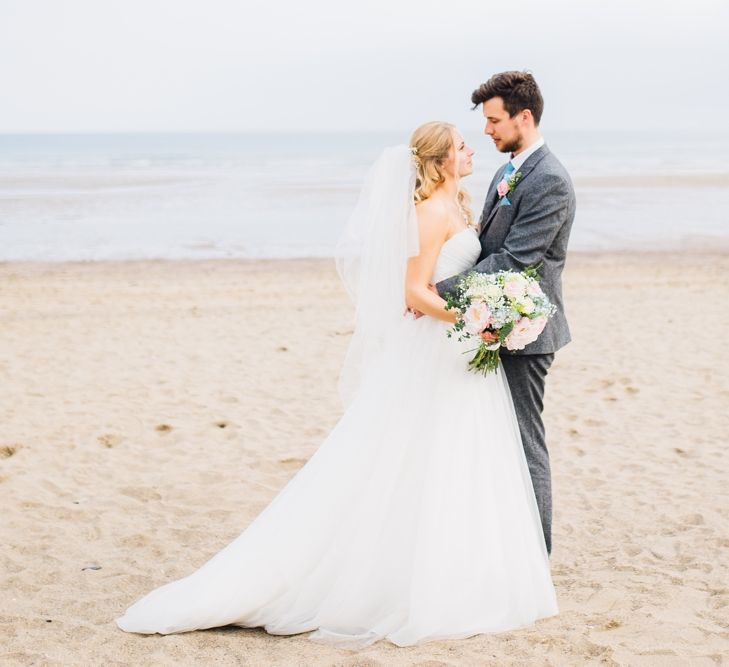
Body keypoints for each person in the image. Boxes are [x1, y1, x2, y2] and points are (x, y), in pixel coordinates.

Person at [116, 121, 558, 649]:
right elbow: (414, 293)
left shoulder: (461, 205)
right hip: (443, 347)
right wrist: (472, 320)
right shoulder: (426, 212)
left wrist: (483, 315)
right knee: (420, 454)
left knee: (459, 458)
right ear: (440, 160)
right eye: (462, 147)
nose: (471, 151)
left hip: (459, 354)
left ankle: (462, 569)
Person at [434, 72, 576, 556]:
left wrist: (436, 292)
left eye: (494, 120)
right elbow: (483, 247)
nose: (488, 130)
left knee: (523, 442)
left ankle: (535, 556)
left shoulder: (550, 180)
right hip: (492, 326)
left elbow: (515, 260)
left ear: (525, 117)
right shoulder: (508, 170)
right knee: (495, 441)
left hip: (527, 334)